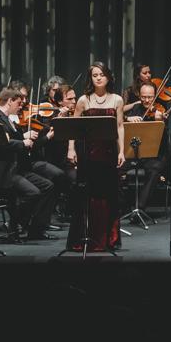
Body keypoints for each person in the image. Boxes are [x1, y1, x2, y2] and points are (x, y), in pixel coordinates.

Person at [0, 87, 60, 241]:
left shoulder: (7, 117)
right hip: (3, 171)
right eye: (19, 103)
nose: (21, 107)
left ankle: (36, 230)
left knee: (49, 186)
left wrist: (26, 138)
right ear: (10, 101)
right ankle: (16, 227)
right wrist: (23, 143)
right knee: (33, 193)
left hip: (17, 168)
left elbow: (13, 139)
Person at [66, 63, 126, 250]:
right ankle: (85, 238)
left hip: (108, 154)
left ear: (108, 77)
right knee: (88, 196)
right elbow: (73, 128)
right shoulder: (83, 100)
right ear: (90, 78)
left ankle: (107, 239)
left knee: (108, 195)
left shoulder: (117, 100)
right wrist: (71, 148)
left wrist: (122, 150)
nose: (98, 78)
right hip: (88, 155)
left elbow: (119, 127)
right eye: (94, 75)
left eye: (101, 74)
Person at [124, 82, 170, 214]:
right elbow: (120, 121)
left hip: (154, 155)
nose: (147, 100)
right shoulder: (135, 108)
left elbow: (164, 138)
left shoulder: (160, 109)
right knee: (114, 168)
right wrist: (128, 119)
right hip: (134, 153)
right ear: (139, 95)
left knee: (154, 169)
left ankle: (139, 209)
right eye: (144, 97)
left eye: (150, 97)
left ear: (155, 96)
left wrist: (161, 122)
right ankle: (123, 207)